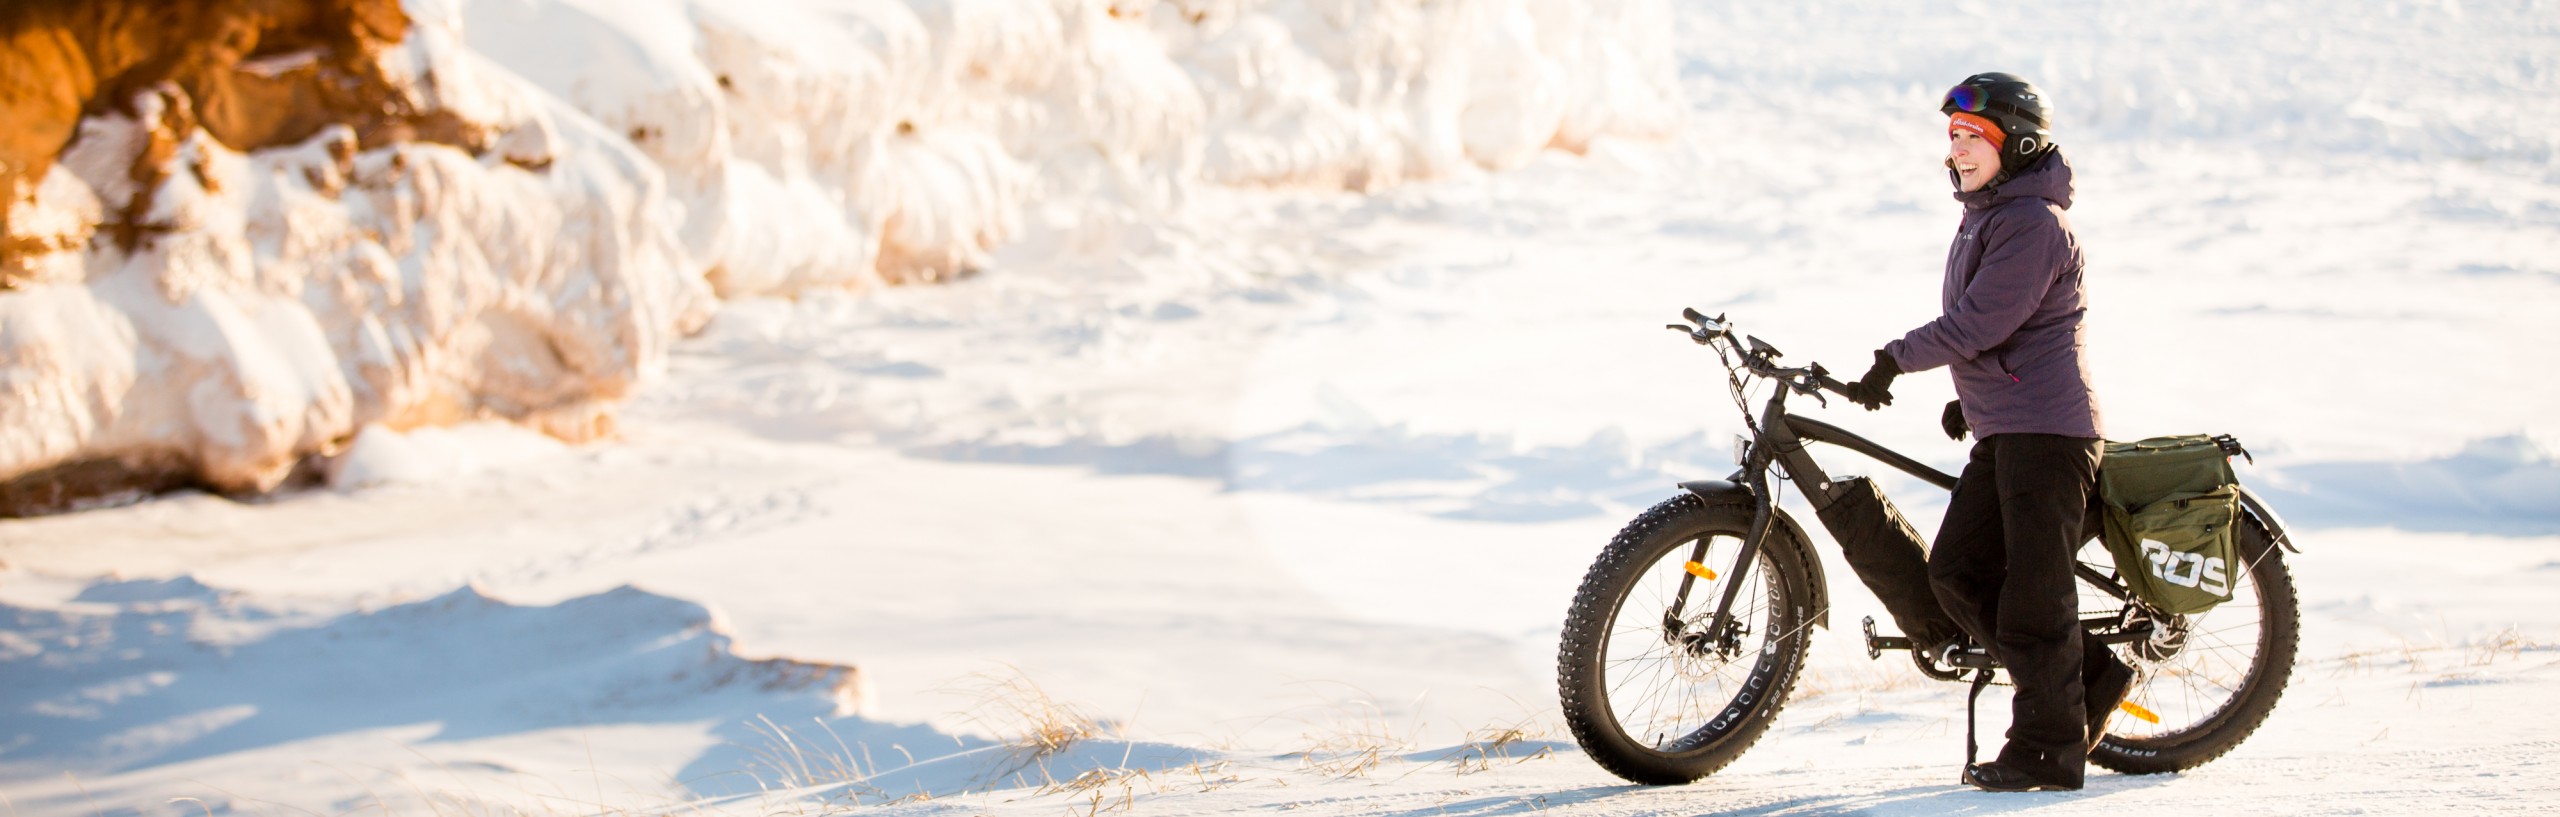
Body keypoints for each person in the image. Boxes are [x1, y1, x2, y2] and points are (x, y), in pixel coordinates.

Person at [1838, 72, 2135, 793]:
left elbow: (1981, 323)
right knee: (1958, 575)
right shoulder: (1989, 216)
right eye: (1953, 138)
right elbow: (2008, 336)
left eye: (1974, 137)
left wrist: (1895, 358)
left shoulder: (2034, 223)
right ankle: (2089, 679)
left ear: (2018, 143)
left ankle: (2046, 750)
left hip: (2049, 436)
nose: (1957, 151)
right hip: (2011, 424)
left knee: (2036, 599)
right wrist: (1972, 399)